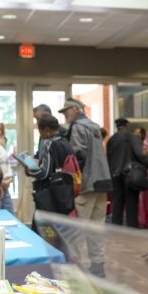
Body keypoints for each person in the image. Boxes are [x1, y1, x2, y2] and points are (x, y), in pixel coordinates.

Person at [59, 97, 112, 272]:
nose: (65, 115)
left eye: (66, 111)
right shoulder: (95, 126)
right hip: (102, 182)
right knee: (97, 228)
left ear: (75, 109)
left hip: (86, 184)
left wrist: (70, 180)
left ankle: (75, 267)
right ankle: (98, 267)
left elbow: (78, 156)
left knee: (78, 229)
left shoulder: (78, 127)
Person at [27, 114, 76, 215]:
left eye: (40, 131)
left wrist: (30, 170)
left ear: (47, 129)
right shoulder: (65, 142)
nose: (40, 135)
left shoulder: (49, 143)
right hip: (65, 189)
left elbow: (45, 173)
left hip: (51, 192)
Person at [106, 118, 148, 227]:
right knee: (131, 204)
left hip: (115, 174)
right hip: (130, 174)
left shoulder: (111, 139)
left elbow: (108, 157)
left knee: (117, 203)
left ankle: (116, 231)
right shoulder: (132, 137)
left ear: (117, 126)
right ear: (126, 126)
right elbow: (140, 154)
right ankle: (132, 231)